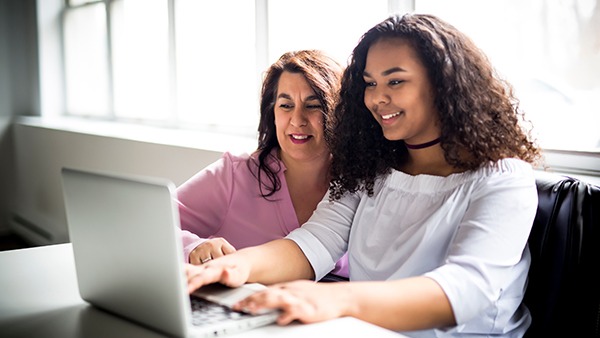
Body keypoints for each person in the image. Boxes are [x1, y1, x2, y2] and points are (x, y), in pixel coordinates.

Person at [185, 14, 542, 338]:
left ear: (443, 85)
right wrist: (234, 267)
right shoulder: (374, 168)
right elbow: (314, 242)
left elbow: (466, 289)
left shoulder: (504, 178)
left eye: (395, 81)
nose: (377, 98)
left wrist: (339, 300)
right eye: (370, 84)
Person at [177, 50, 348, 279]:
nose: (297, 120)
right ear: (272, 113)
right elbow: (148, 223)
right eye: (286, 105)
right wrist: (192, 247)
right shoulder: (234, 175)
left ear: (339, 111)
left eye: (313, 105)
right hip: (246, 309)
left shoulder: (361, 187)